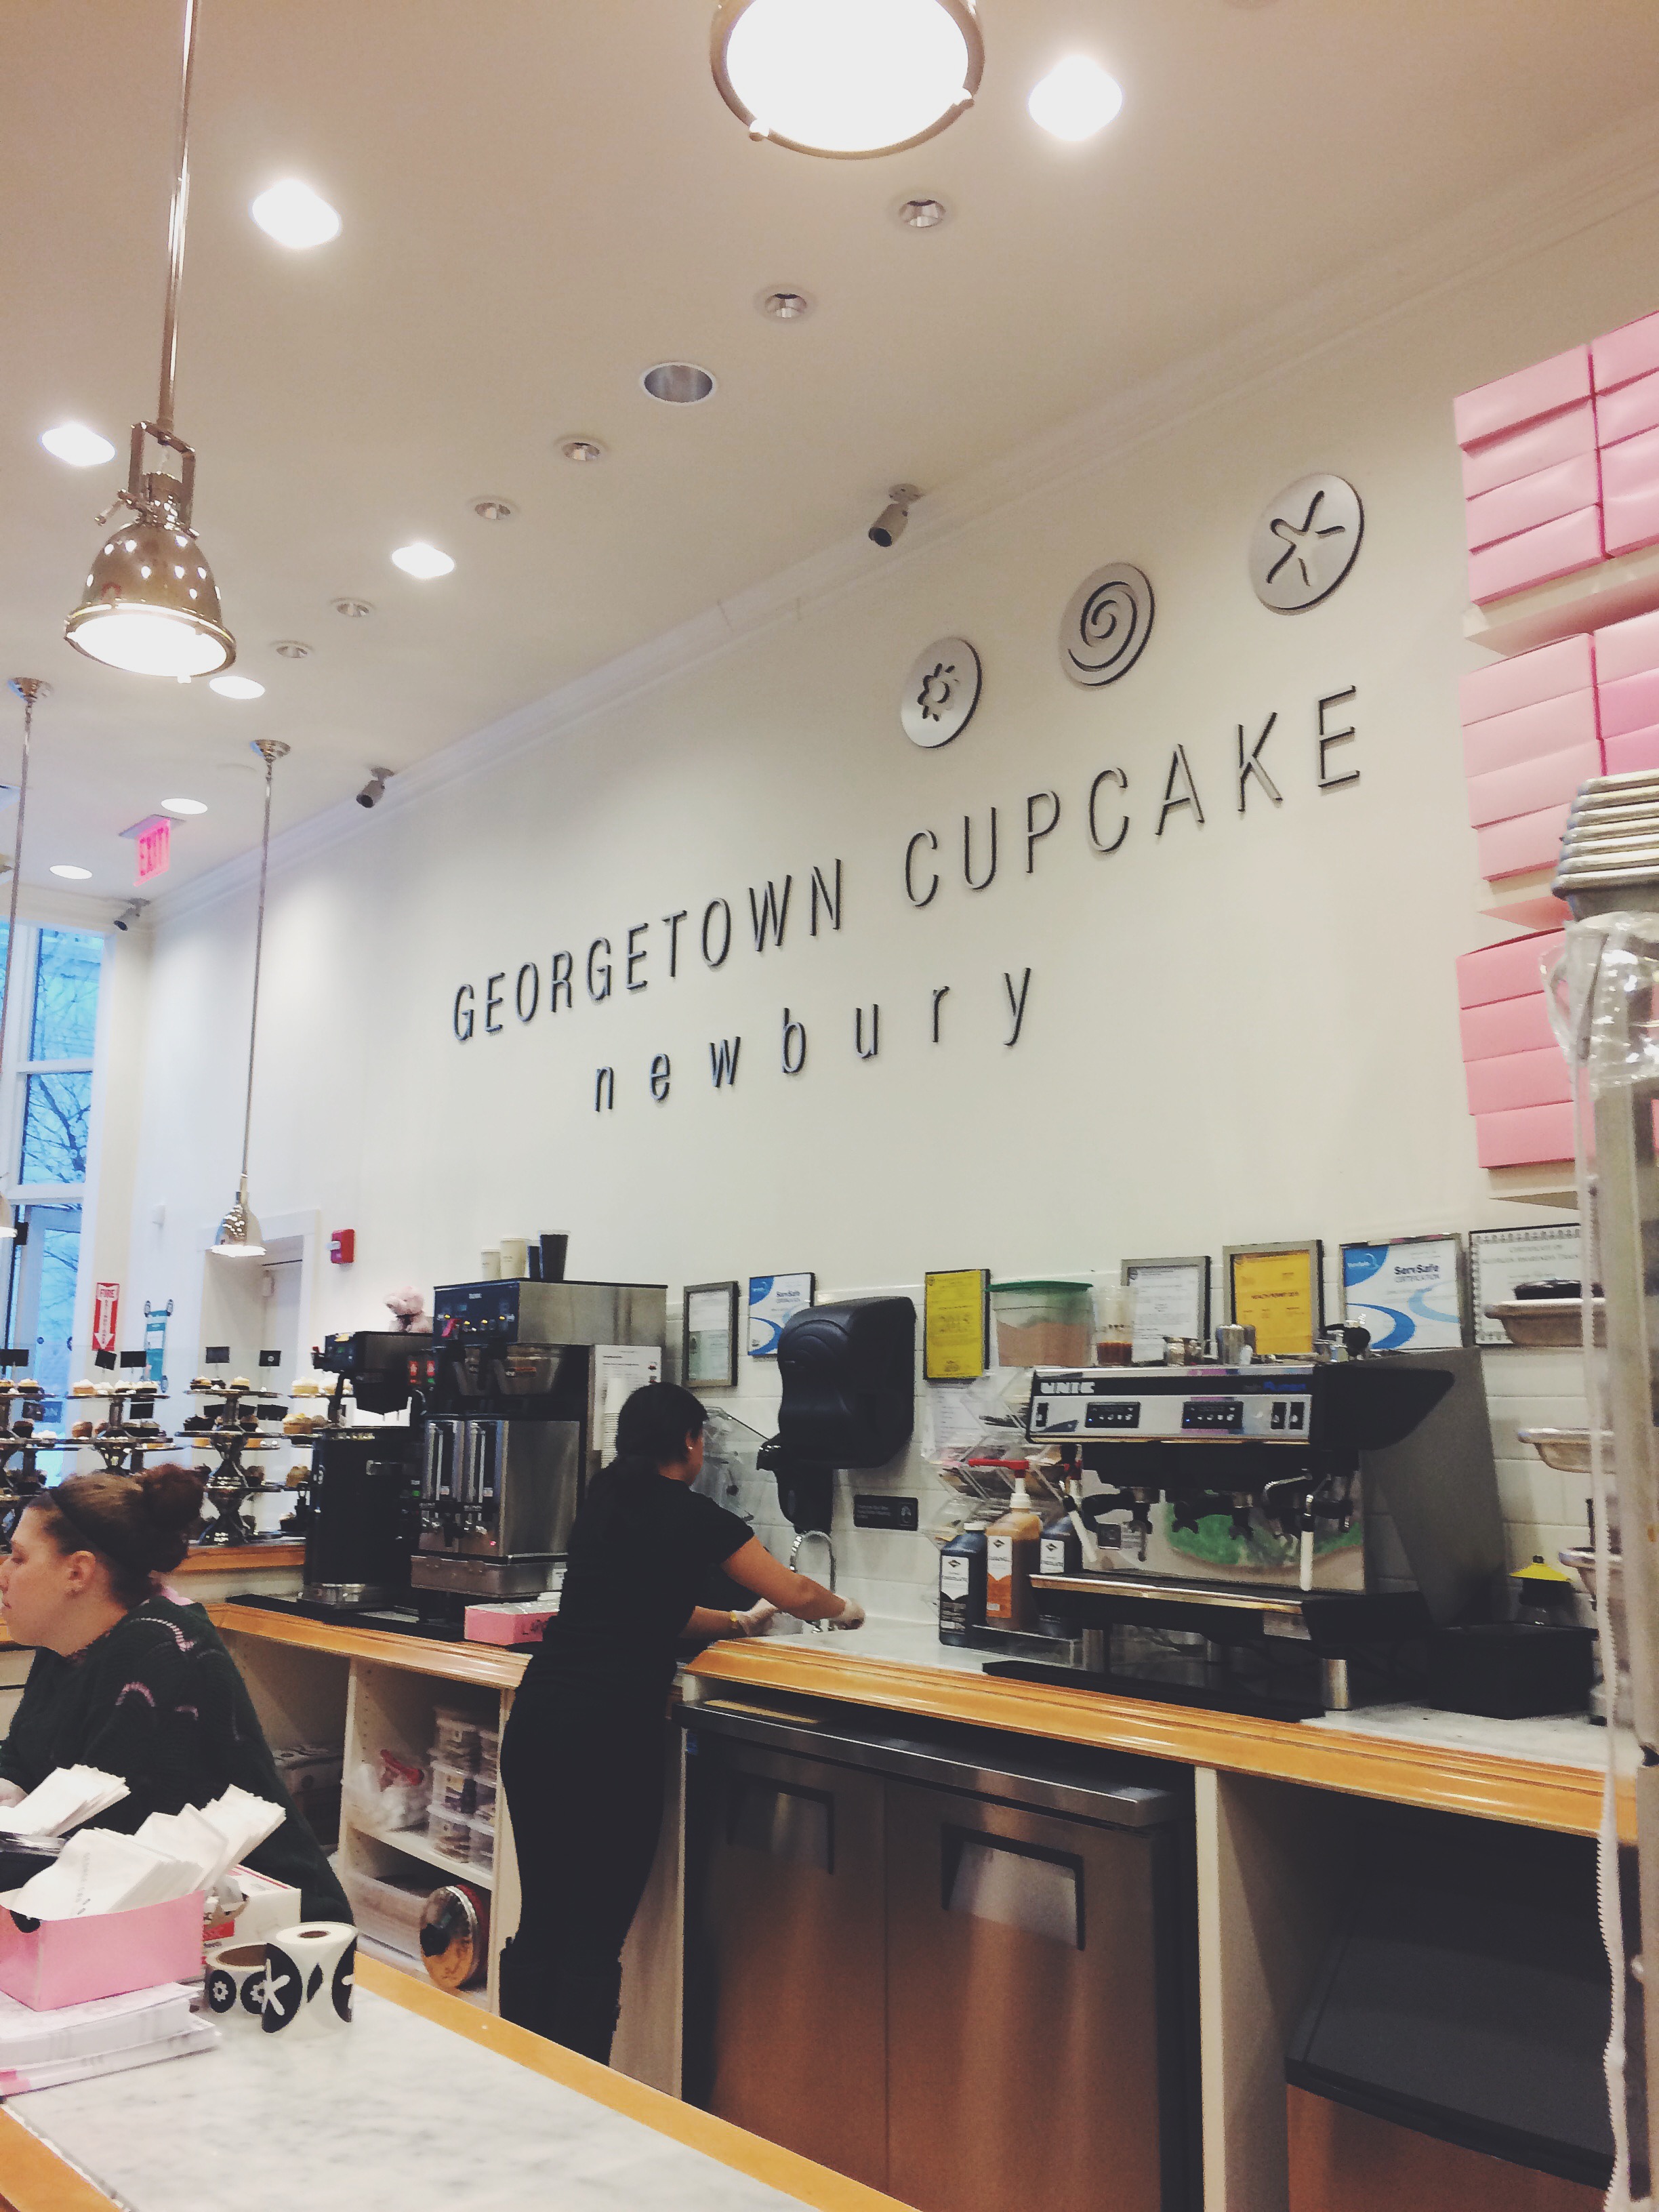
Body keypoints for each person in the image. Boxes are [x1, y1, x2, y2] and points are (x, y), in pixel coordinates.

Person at [499, 1380, 863, 2062]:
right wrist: (848, 1612)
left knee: (543, 1917)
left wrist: (737, 1624)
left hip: (540, 1722)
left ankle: (521, 2074)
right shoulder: (694, 1516)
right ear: (691, 1443)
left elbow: (647, 1610)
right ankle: (577, 2094)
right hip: (608, 1738)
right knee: (594, 1932)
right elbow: (796, 1589)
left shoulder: (602, 1501)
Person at [0, 1465, 348, 1922]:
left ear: (77, 1572)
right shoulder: (66, 1642)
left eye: (19, 1558)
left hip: (265, 1923)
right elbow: (21, 1761)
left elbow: (106, 1839)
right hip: (126, 1904)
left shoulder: (162, 1651)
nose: (4, 1573)